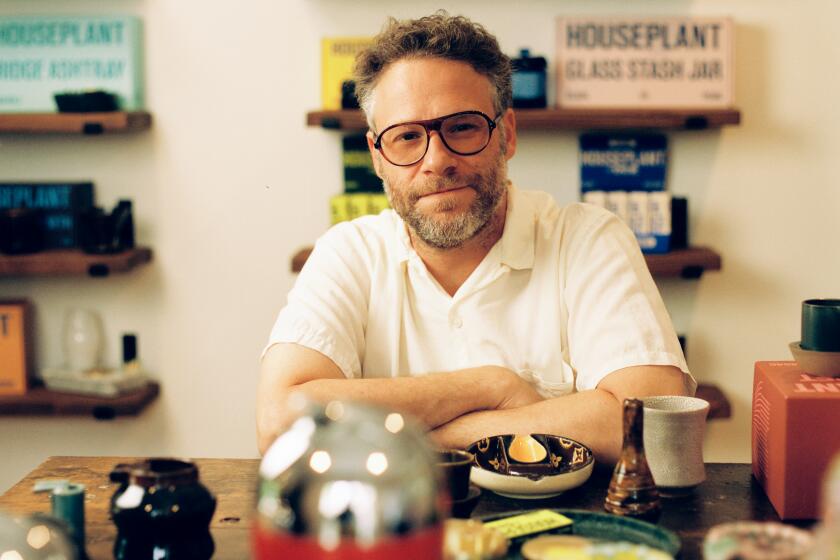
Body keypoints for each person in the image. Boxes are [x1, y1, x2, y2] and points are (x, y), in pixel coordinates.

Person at [257, 12, 694, 464]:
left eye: (461, 126)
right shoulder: (348, 254)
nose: (437, 160)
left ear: (505, 134)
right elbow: (279, 422)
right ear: (377, 157)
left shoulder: (587, 240)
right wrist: (492, 386)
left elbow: (652, 424)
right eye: (407, 136)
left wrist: (425, 440)